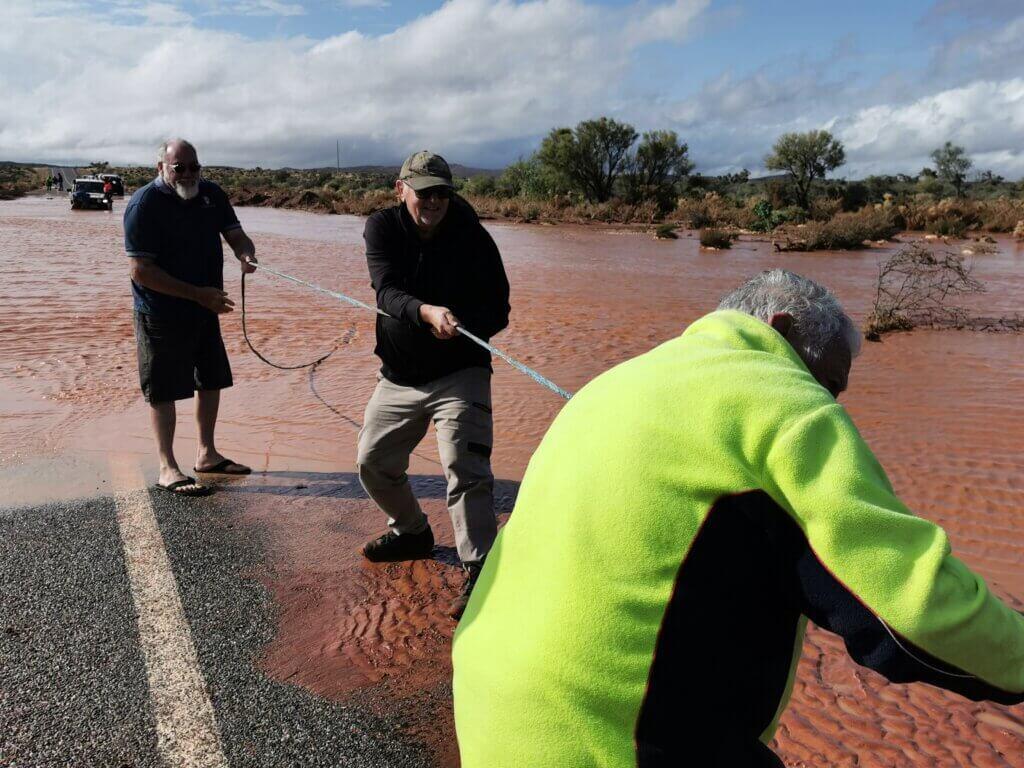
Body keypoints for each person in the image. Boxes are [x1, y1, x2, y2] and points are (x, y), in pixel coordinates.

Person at [452, 270, 1024, 767]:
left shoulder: (617, 381)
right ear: (780, 327)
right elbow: (909, 608)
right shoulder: (780, 402)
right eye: (829, 381)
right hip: (606, 742)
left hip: (491, 707)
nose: (831, 402)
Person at [357, 150, 510, 619]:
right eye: (423, 191)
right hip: (400, 375)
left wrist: (465, 323)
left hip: (461, 372)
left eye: (441, 191)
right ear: (400, 189)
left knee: (464, 468)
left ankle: (480, 573)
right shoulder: (381, 228)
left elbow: (500, 308)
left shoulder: (473, 236)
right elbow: (386, 291)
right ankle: (411, 532)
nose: (434, 200)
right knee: (372, 462)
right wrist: (426, 312)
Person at [124, 138, 257, 496]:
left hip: (205, 308)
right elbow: (141, 271)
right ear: (161, 169)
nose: (187, 174)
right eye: (178, 167)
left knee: (210, 379)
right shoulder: (143, 205)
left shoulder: (211, 194)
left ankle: (207, 454)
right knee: (162, 390)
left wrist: (246, 255)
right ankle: (168, 466)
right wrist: (199, 294)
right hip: (160, 312)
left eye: (193, 167)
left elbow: (237, 236)